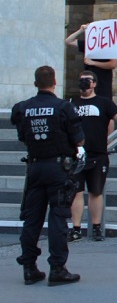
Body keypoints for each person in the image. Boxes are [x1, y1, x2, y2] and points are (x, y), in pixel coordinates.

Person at [10, 66, 86, 286]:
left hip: (35, 168)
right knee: (58, 218)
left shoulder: (23, 108)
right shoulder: (63, 107)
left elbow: (22, 135)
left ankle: (29, 268)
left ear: (35, 84)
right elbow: (79, 140)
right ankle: (57, 268)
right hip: (58, 168)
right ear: (54, 82)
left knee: (32, 219)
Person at [68, 70, 117, 243]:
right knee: (77, 192)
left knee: (96, 191)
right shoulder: (71, 103)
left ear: (94, 83)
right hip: (76, 154)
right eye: (81, 80)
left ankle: (96, 227)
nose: (83, 83)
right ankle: (76, 228)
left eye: (87, 80)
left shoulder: (104, 103)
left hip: (98, 154)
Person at [65, 23, 117, 101]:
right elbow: (68, 41)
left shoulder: (111, 46)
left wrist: (93, 63)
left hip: (103, 83)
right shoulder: (90, 44)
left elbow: (112, 64)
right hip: (88, 83)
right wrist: (80, 30)